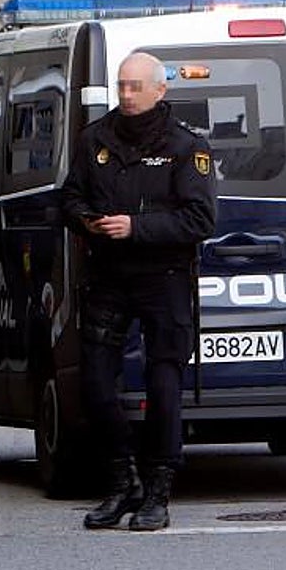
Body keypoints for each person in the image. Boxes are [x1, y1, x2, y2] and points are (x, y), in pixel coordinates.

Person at [61, 52, 216, 531]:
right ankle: (120, 481)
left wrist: (137, 227)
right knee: (95, 381)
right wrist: (88, 222)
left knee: (164, 382)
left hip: (163, 277)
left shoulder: (185, 147)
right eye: (121, 86)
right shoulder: (96, 139)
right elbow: (69, 197)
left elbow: (200, 218)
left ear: (159, 90)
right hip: (108, 274)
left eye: (135, 87)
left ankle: (158, 491)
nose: (126, 95)